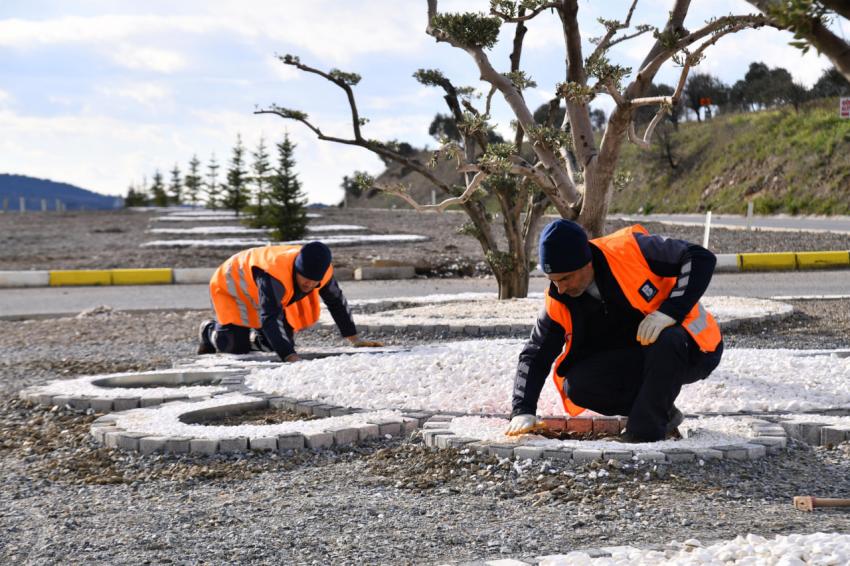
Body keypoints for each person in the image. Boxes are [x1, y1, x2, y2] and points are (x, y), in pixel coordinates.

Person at [507, 219, 723, 442]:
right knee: (578, 384)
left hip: (695, 350)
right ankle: (662, 412)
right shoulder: (558, 299)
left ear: (587, 263)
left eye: (565, 278)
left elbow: (699, 257)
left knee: (667, 339)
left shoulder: (630, 250)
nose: (560, 288)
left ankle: (643, 435)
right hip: (640, 358)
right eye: (553, 280)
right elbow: (535, 354)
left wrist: (668, 313)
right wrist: (522, 409)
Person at [198, 241, 381, 362]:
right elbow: (270, 317)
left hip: (259, 293)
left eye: (314, 281)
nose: (309, 284)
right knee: (232, 346)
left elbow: (337, 302)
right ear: (296, 269)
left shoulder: (323, 272)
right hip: (232, 285)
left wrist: (354, 338)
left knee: (279, 343)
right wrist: (289, 357)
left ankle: (255, 337)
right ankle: (208, 331)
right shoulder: (275, 275)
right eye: (304, 278)